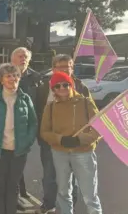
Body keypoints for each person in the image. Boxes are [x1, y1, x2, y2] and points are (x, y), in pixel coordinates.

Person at [0, 63, 37, 214]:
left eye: (15, 75)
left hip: (18, 151)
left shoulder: (25, 99)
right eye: (8, 76)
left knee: (13, 186)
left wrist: (27, 141)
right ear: (2, 80)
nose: (13, 79)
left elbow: (33, 123)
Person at [40, 72, 102, 214]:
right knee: (63, 192)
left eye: (65, 84)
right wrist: (60, 139)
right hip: (60, 153)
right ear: (53, 89)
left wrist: (80, 139)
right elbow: (44, 132)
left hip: (83, 153)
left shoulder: (86, 102)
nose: (61, 88)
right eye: (57, 86)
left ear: (71, 85)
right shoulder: (50, 107)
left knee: (90, 195)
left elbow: (100, 128)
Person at [35, 54, 90, 214]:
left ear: (72, 68)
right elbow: (38, 112)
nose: (65, 70)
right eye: (61, 67)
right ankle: (48, 204)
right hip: (49, 141)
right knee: (50, 176)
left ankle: (68, 208)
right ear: (53, 69)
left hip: (73, 142)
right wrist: (42, 135)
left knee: (71, 178)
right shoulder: (44, 88)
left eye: (68, 66)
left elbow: (90, 115)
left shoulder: (81, 87)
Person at [0, 47, 42, 199]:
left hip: (27, 127)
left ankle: (18, 193)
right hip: (8, 127)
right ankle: (16, 196)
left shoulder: (36, 77)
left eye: (25, 56)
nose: (22, 58)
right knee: (9, 167)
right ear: (12, 59)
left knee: (19, 164)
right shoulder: (2, 75)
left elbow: (40, 102)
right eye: (19, 56)